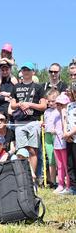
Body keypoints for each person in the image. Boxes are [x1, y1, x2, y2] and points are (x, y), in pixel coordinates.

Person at [10, 62, 47, 176]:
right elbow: (12, 105)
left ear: (33, 72)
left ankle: (32, 177)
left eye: (28, 70)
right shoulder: (16, 87)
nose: (25, 72)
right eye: (24, 69)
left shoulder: (38, 87)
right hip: (20, 123)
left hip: (33, 122)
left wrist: (30, 105)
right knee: (21, 151)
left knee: (33, 151)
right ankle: (23, 176)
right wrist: (21, 104)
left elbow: (43, 106)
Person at [62, 61, 76, 195]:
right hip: (69, 137)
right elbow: (65, 118)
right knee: (70, 162)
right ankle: (72, 186)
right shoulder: (70, 105)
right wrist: (66, 133)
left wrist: (70, 133)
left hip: (73, 135)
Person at [53, 93, 70, 194]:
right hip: (57, 144)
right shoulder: (55, 116)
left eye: (62, 104)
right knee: (59, 165)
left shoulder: (67, 116)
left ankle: (68, 184)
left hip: (64, 144)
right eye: (58, 104)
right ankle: (60, 184)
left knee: (66, 165)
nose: (59, 106)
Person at [43, 89, 60, 188]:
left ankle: (61, 181)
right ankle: (53, 182)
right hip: (47, 136)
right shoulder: (46, 111)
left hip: (56, 136)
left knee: (59, 160)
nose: (50, 103)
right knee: (51, 159)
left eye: (53, 101)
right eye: (48, 101)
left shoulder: (59, 111)